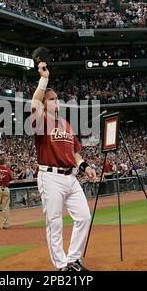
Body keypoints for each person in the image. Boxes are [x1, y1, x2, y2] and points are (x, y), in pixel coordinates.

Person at [30, 59, 96, 271]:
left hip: (71, 177)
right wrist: (44, 80)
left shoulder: (66, 124)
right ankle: (61, 266)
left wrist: (85, 166)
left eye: (57, 99)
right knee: (55, 222)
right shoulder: (40, 121)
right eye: (51, 99)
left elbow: (75, 153)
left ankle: (73, 259)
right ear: (44, 104)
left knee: (85, 217)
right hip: (50, 176)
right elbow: (34, 104)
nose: (56, 102)